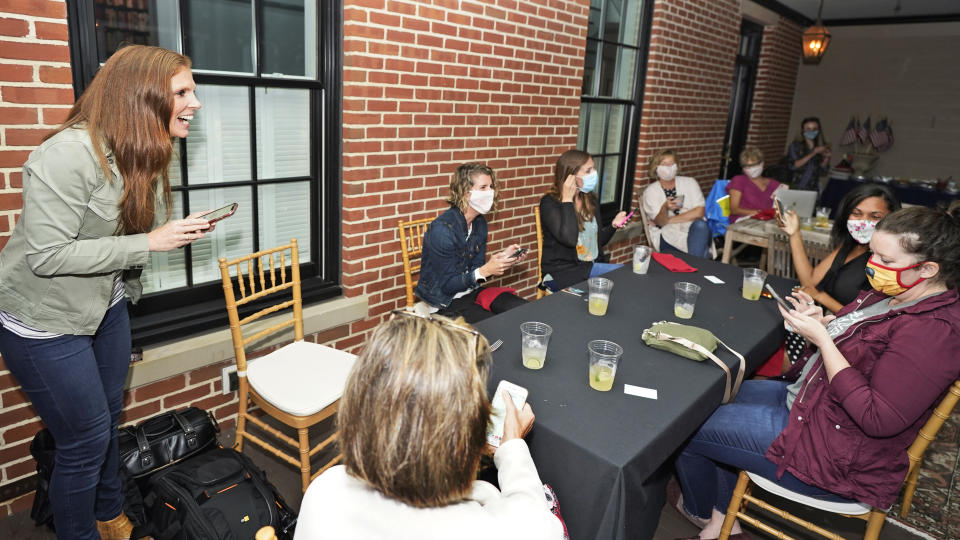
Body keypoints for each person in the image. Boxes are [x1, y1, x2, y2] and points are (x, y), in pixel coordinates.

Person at [0, 45, 212, 539]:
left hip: (106, 305)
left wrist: (163, 234)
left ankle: (112, 516)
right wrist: (150, 242)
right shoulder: (66, 154)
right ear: (141, 97)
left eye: (192, 91)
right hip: (44, 322)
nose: (195, 102)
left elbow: (121, 237)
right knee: (84, 440)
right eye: (183, 92)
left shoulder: (147, 149)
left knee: (106, 422)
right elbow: (48, 256)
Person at [673, 203, 960, 540]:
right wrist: (825, 324)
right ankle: (721, 515)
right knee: (705, 397)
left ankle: (708, 517)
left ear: (927, 269)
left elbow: (878, 417)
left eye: (887, 260)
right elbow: (860, 351)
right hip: (811, 402)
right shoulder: (891, 294)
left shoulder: (935, 332)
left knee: (684, 426)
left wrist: (824, 341)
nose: (873, 266)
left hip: (833, 450)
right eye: (873, 254)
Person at [295, 310, 565, 539]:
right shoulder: (487, 528)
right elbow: (541, 526)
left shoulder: (324, 492)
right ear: (463, 436)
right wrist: (513, 446)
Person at [415, 162, 527, 323]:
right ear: (465, 193)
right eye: (483, 188)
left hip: (470, 291)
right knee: (497, 327)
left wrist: (502, 260)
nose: (491, 192)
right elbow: (447, 285)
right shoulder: (442, 230)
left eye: (491, 186)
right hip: (443, 301)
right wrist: (485, 271)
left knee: (522, 311)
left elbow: (475, 271)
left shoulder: (479, 223)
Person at [779, 183, 901, 314]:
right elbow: (810, 282)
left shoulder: (890, 261)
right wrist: (794, 233)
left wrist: (820, 296)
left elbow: (867, 318)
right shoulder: (851, 244)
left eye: (875, 216)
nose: (864, 222)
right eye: (856, 213)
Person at [538, 150, 628, 290]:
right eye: (588, 170)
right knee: (619, 277)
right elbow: (569, 239)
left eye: (593, 168)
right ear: (570, 176)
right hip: (561, 273)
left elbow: (596, 244)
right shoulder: (549, 203)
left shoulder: (590, 199)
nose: (594, 173)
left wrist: (613, 225)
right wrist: (567, 200)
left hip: (588, 268)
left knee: (623, 277)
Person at [641, 150, 711, 258]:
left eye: (672, 164)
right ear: (656, 167)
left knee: (700, 225)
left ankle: (694, 266)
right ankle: (697, 266)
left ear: (677, 166)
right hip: (667, 235)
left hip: (693, 230)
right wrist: (664, 208)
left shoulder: (690, 182)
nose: (669, 167)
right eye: (664, 164)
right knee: (702, 251)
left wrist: (669, 220)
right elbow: (660, 222)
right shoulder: (651, 191)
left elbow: (699, 212)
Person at [726, 146, 785, 224]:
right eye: (746, 166)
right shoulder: (739, 180)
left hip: (767, 221)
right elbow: (734, 209)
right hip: (744, 221)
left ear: (762, 164)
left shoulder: (774, 184)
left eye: (754, 165)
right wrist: (759, 213)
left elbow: (782, 208)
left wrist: (784, 193)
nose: (751, 169)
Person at [786, 116, 831, 192]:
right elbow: (793, 165)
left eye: (814, 129)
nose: (812, 131)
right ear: (803, 130)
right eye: (808, 129)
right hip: (796, 186)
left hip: (812, 188)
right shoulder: (796, 146)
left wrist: (826, 158)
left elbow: (822, 172)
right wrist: (813, 152)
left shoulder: (820, 147)